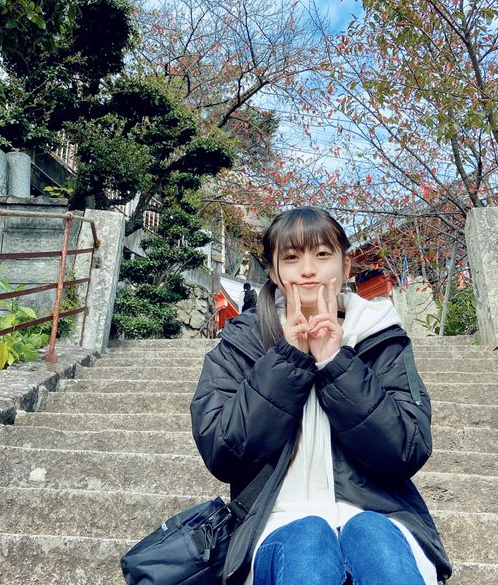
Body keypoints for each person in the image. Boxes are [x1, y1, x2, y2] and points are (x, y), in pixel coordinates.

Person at [190, 207, 451, 585]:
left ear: (345, 267)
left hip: (382, 515)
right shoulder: (242, 342)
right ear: (273, 272)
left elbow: (406, 449)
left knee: (373, 536)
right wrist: (288, 360)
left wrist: (334, 361)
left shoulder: (380, 336)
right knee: (308, 538)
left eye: (323, 254)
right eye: (291, 258)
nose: (308, 270)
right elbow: (222, 451)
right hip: (275, 523)